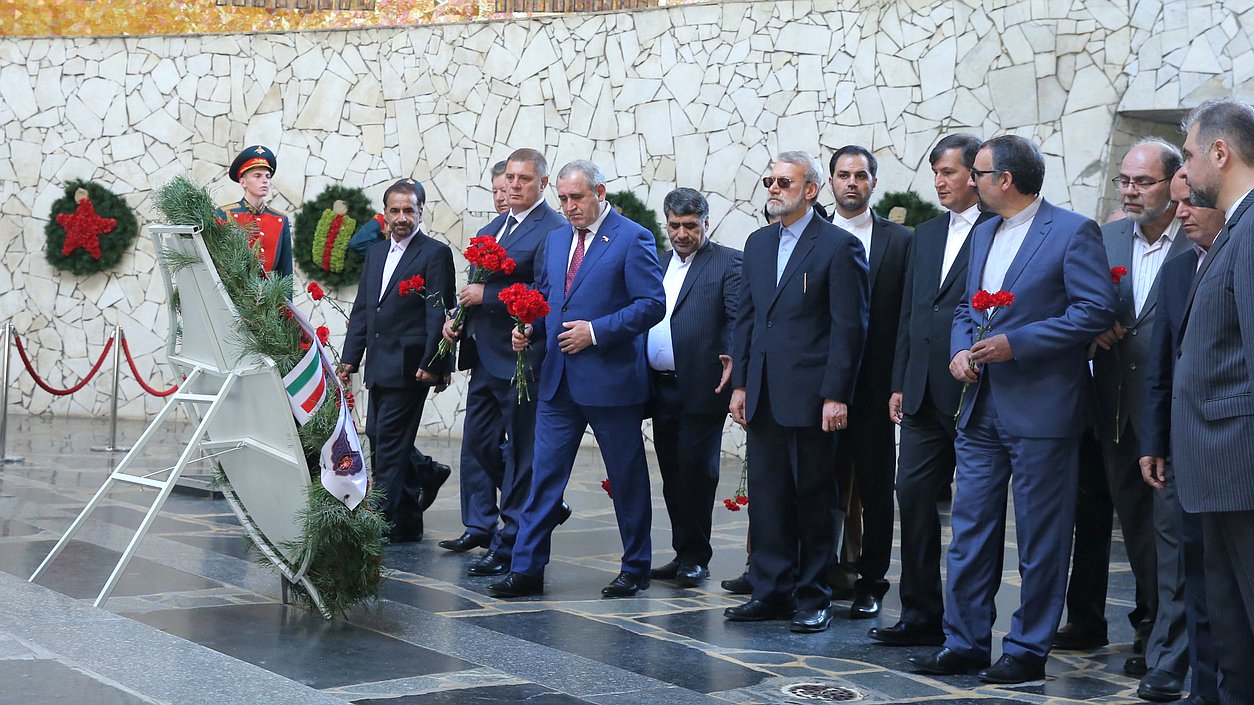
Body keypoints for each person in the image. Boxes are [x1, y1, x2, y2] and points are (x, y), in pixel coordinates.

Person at [909, 135, 1116, 683]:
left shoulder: (1073, 231)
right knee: (971, 529)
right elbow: (962, 305)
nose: (968, 182)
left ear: (1005, 180)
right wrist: (959, 350)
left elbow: (1095, 310)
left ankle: (1026, 650)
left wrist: (1016, 343)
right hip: (979, 407)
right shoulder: (983, 231)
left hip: (1043, 409)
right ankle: (965, 641)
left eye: (976, 173)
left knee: (1042, 536)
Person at [488, 160, 665, 598]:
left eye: (577, 197)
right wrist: (527, 329)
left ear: (600, 192)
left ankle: (635, 566)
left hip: (611, 382)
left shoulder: (633, 237)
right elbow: (551, 299)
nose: (569, 207)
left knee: (625, 478)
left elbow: (651, 304)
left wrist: (597, 331)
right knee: (543, 476)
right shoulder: (555, 239)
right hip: (557, 381)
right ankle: (527, 569)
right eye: (563, 199)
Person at [725, 151, 868, 634]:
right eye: (769, 180)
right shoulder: (758, 243)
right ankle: (770, 591)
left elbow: (849, 329)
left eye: (784, 181)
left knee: (813, 499)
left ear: (810, 190)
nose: (773, 188)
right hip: (763, 394)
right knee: (768, 499)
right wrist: (741, 383)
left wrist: (836, 394)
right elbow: (747, 319)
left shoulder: (838, 247)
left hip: (812, 397)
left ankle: (813, 595)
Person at [873, 134, 990, 646]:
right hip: (920, 390)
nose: (940, 182)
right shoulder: (924, 235)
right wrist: (899, 381)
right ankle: (919, 613)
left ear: (976, 174)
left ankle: (966, 624)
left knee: (975, 512)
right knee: (914, 497)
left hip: (975, 390)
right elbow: (910, 313)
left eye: (949, 172)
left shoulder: (999, 230)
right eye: (935, 173)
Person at [439, 149, 567, 582]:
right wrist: (456, 320)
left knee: (523, 455)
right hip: (483, 356)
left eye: (524, 179)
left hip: (521, 357)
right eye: (509, 177)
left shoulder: (553, 230)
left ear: (542, 184)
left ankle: (510, 541)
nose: (514, 185)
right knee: (479, 444)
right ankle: (538, 509)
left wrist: (487, 298)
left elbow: (544, 288)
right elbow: (477, 285)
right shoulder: (493, 228)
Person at [1091, 139, 1191, 680]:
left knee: (1172, 531)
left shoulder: (1200, 239)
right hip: (1116, 410)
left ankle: (1172, 640)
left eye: (1143, 182)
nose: (1130, 191)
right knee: (1136, 531)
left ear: (1176, 184)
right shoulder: (1102, 238)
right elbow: (1073, 307)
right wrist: (1090, 330)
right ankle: (1150, 624)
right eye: (1124, 181)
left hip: (1177, 410)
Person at [1170, 98, 1254, 703]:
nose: (1189, 169)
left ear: (1220, 154)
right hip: (1219, 467)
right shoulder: (1237, 227)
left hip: (1241, 465)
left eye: (1193, 154)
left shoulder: (1250, 231)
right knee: (1231, 627)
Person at [1139, 171, 1224, 705]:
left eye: (1191, 203)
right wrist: (1154, 441)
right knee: (1184, 564)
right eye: (1176, 204)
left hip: (1232, 448)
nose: (1182, 213)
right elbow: (1160, 369)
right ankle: (1186, 672)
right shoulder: (1174, 272)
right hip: (1180, 449)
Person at [339, 178, 456, 543]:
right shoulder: (375, 253)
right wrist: (349, 359)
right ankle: (409, 517)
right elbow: (363, 310)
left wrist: (435, 362)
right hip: (379, 364)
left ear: (421, 211)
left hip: (411, 367)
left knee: (387, 444)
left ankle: (380, 522)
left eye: (410, 210)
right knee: (378, 435)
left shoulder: (434, 253)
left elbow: (439, 311)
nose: (402, 217)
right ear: (385, 213)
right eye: (396, 210)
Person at [826, 145, 912, 618]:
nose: (852, 183)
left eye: (861, 175)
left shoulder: (901, 242)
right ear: (831, 183)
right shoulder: (811, 237)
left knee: (877, 490)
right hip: (821, 390)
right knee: (821, 486)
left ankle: (872, 581)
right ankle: (820, 575)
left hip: (877, 389)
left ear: (873, 183)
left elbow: (906, 320)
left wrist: (898, 383)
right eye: (844, 175)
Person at [646, 188, 741, 589]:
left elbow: (738, 319)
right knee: (671, 473)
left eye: (690, 225)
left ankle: (696, 558)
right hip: (659, 385)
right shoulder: (659, 262)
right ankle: (682, 551)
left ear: (706, 222)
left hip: (703, 386)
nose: (681, 233)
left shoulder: (729, 262)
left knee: (697, 474)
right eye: (674, 225)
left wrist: (734, 361)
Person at [218, 145, 293, 278]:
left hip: (271, 295)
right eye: (257, 176)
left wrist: (285, 299)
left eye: (267, 176)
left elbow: (286, 271)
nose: (264, 181)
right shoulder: (225, 215)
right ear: (243, 182)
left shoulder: (280, 219)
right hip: (236, 294)